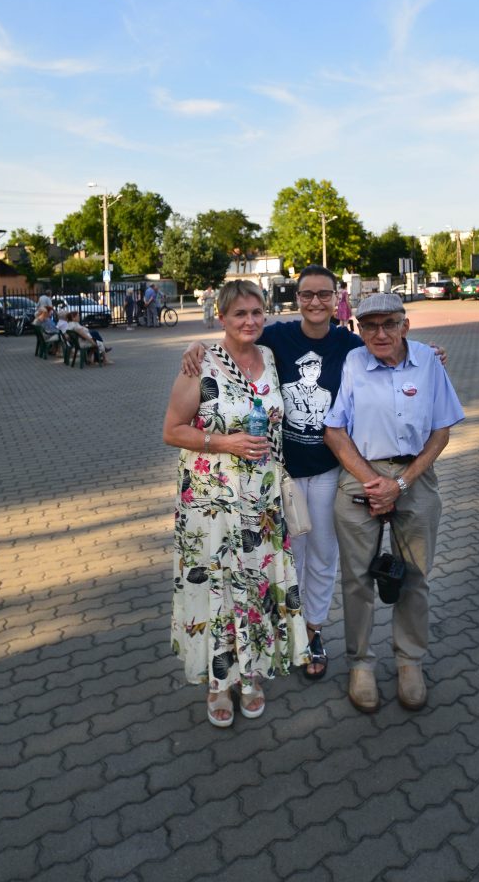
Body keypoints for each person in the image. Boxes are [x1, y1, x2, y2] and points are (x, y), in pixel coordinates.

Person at [181, 265, 448, 683]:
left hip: (328, 469)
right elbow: (238, 334)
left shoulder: (350, 344)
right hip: (280, 471)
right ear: (297, 297)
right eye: (307, 294)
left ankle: (313, 632)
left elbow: (391, 344)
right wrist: (197, 345)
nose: (315, 302)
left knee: (324, 556)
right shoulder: (278, 337)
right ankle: (284, 632)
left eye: (324, 294)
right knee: (288, 556)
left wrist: (427, 354)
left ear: (336, 297)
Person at [164, 280, 309, 728]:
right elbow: (172, 430)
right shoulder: (199, 363)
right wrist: (225, 442)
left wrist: (426, 353)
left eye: (256, 312)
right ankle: (217, 682)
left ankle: (251, 674)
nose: (249, 321)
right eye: (239, 314)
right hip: (210, 500)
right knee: (218, 586)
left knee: (255, 585)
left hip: (261, 500)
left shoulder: (269, 357)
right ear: (221, 317)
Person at [323, 292, 464, 714]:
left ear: (406, 325)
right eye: (369, 326)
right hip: (361, 473)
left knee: (415, 575)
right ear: (359, 329)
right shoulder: (353, 362)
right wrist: (374, 483)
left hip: (414, 475)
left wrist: (400, 484)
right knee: (356, 578)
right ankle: (361, 663)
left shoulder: (428, 362)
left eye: (389, 324)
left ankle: (409, 662)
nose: (380, 333)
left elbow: (441, 430)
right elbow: (334, 431)